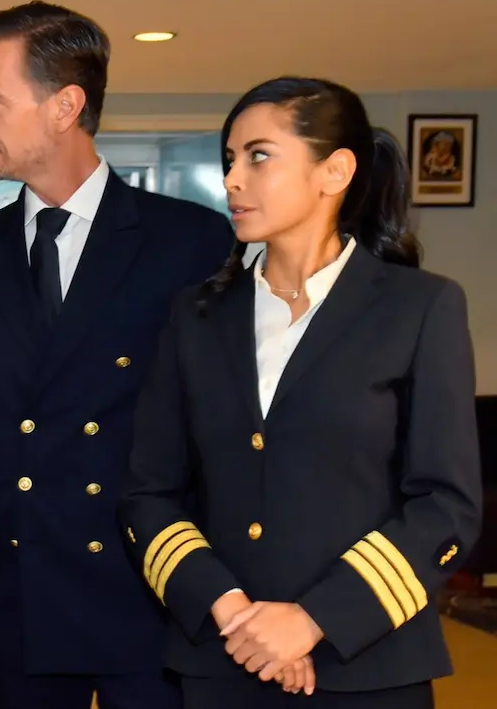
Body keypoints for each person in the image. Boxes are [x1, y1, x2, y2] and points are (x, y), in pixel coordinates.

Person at [116, 76, 483, 709]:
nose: (232, 179)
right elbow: (149, 491)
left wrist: (313, 620)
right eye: (229, 159)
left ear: (335, 170)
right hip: (222, 662)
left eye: (258, 156)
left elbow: (445, 505)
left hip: (369, 665)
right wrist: (236, 617)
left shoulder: (419, 307)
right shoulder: (195, 316)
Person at [0, 0, 234, 709]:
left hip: (154, 591)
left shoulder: (192, 243)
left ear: (66, 105)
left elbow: (228, 430)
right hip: (20, 589)